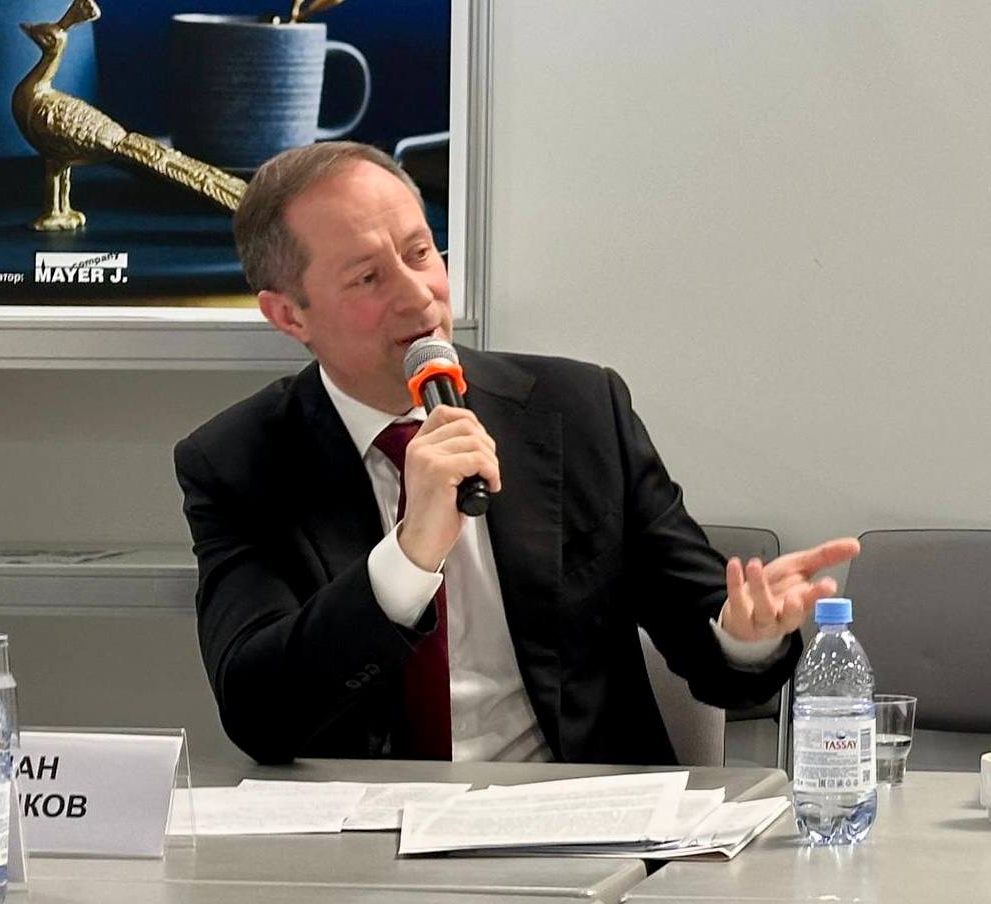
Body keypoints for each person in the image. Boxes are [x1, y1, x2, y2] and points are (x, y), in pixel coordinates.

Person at [174, 141, 858, 766]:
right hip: (366, 836)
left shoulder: (578, 411)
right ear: (289, 315)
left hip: (578, 823)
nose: (418, 295)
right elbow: (259, 714)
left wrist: (746, 634)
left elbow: (710, 646)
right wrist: (409, 557)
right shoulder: (236, 461)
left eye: (421, 253)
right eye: (368, 279)